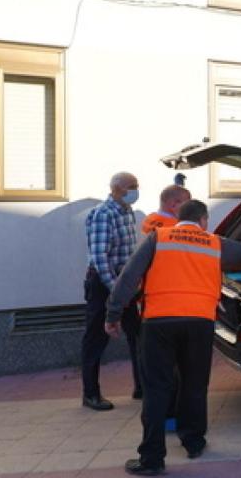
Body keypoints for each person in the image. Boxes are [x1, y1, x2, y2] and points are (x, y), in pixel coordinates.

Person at [106, 200, 241, 476]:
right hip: (200, 323)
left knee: (157, 388)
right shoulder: (215, 243)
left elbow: (128, 277)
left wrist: (113, 314)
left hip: (158, 323)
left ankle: (151, 459)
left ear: (177, 218)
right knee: (195, 384)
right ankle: (194, 442)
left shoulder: (158, 237)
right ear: (203, 221)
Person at [82, 172, 143, 411]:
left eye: (137, 186)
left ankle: (141, 386)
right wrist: (116, 290)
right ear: (116, 189)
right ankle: (91, 394)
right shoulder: (103, 214)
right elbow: (99, 257)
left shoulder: (127, 211)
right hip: (104, 282)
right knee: (96, 338)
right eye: (131, 187)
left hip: (124, 282)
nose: (135, 191)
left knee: (137, 334)